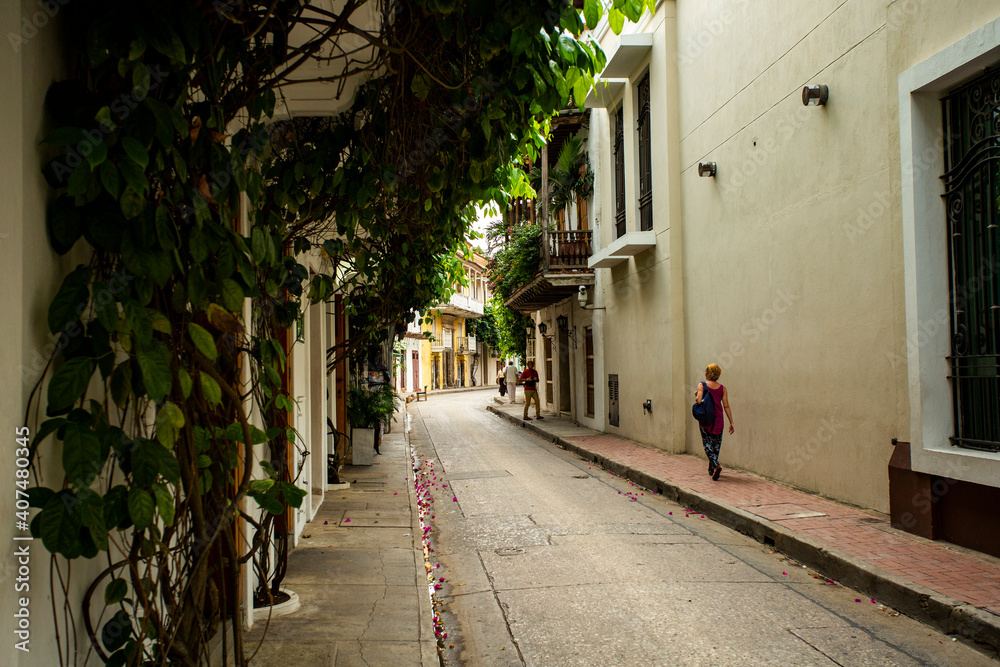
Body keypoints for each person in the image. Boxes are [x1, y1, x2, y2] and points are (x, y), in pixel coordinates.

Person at [694, 363, 734, 480]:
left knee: (707, 444)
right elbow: (726, 406)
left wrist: (697, 394)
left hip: (706, 419)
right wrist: (731, 422)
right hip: (718, 419)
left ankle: (716, 465)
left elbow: (699, 401)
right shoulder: (723, 388)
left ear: (707, 373)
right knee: (716, 446)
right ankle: (712, 469)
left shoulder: (702, 385)